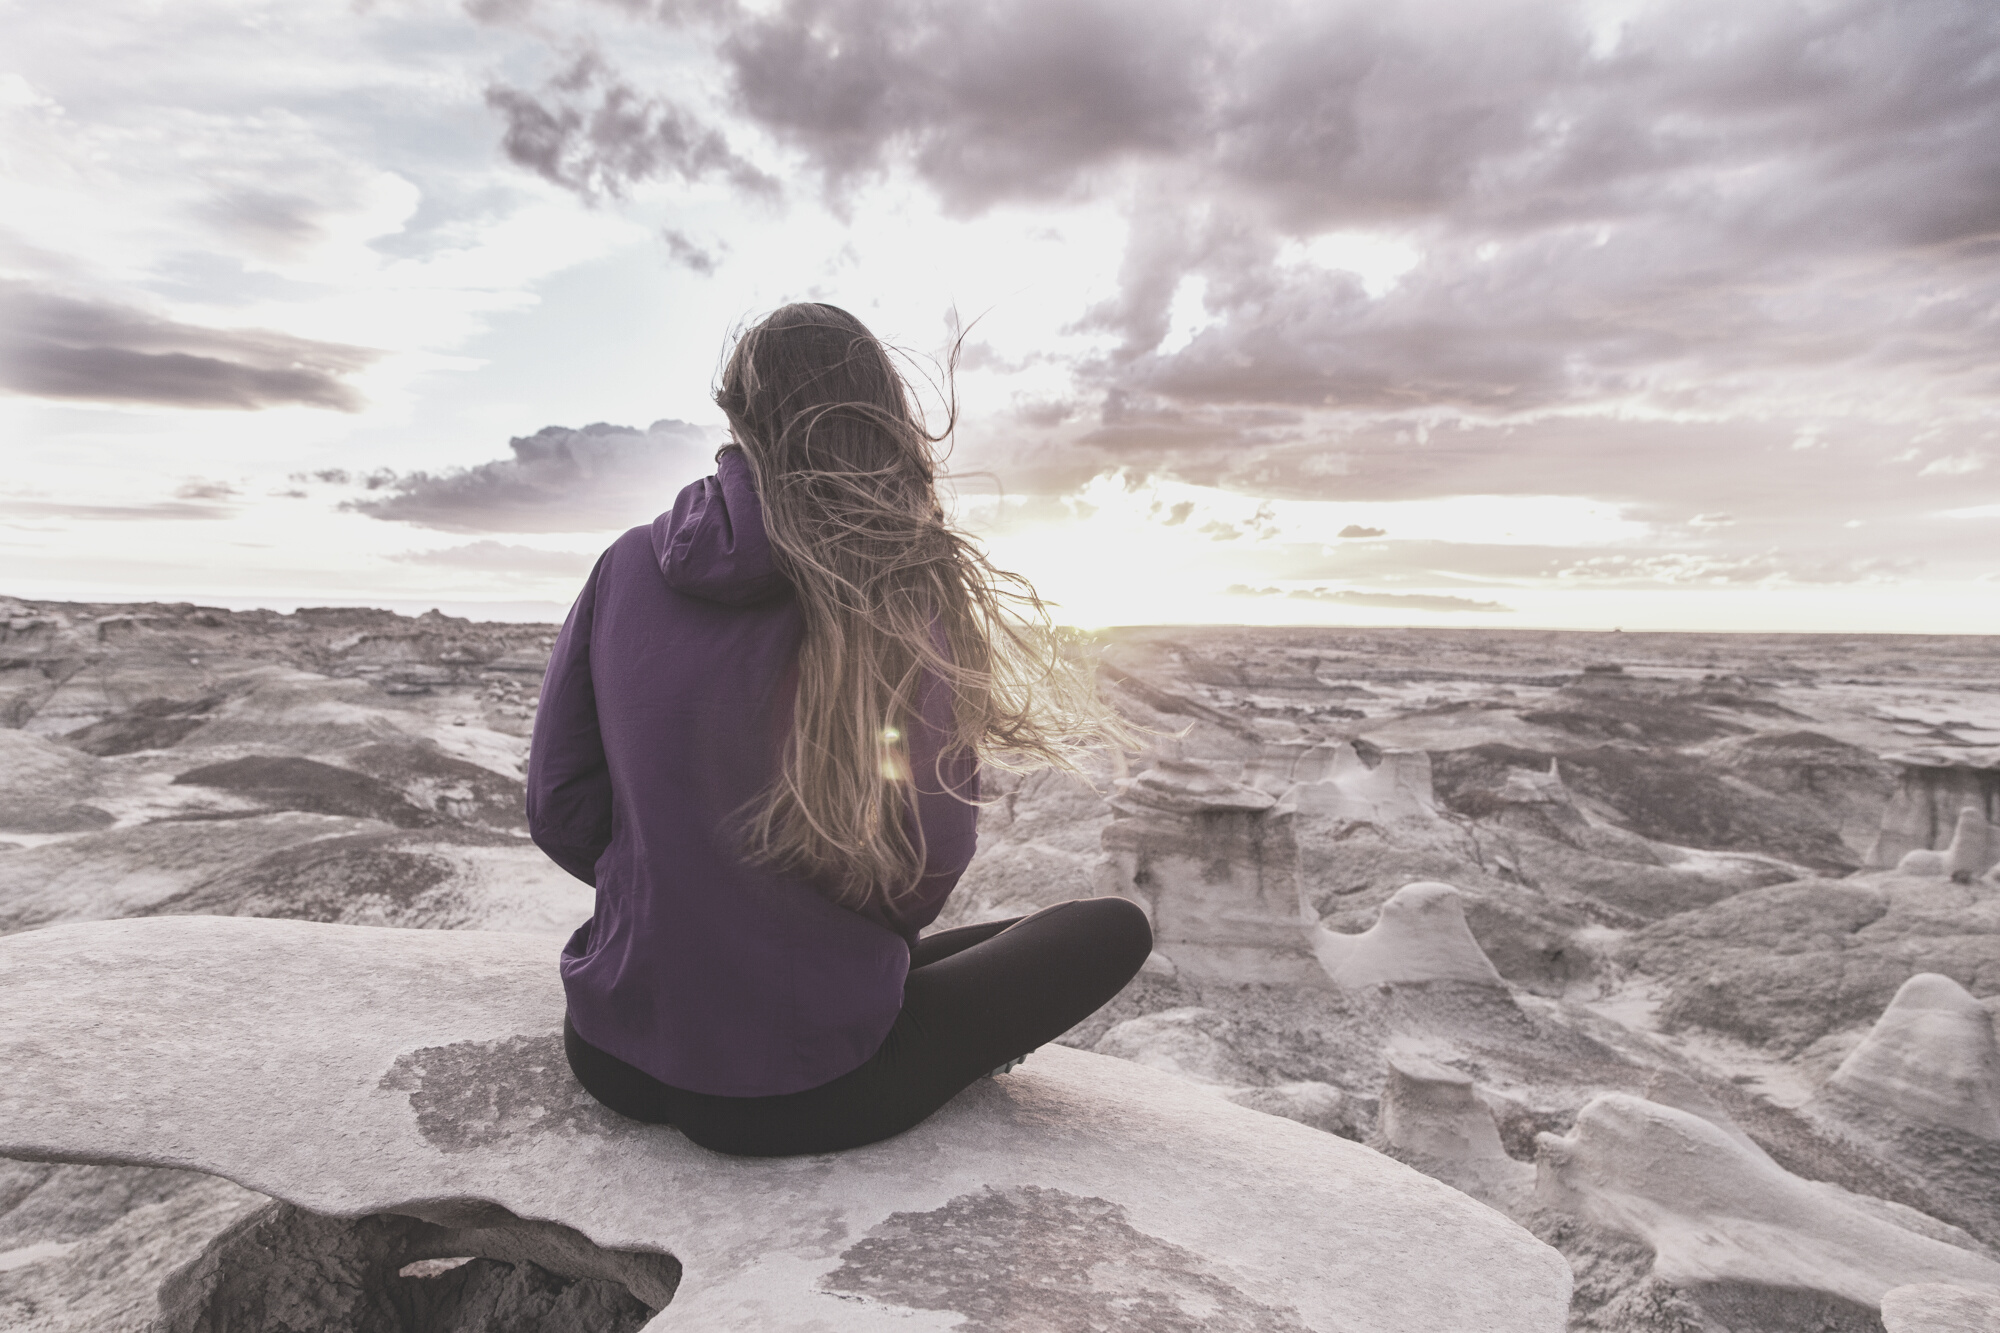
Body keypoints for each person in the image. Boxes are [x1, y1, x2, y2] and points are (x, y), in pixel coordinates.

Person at [527, 302, 1152, 1157]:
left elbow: (560, 805)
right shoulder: (894, 580)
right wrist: (804, 933)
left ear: (736, 413)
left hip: (609, 1048)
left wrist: (678, 888)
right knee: (1110, 929)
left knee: (971, 949)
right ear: (884, 416)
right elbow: (927, 859)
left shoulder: (626, 561)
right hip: (795, 1087)